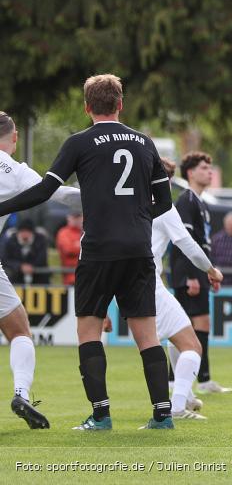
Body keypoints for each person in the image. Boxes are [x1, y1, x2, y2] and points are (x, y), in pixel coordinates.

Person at [0, 75, 174, 430]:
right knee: (148, 334)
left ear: (86, 106)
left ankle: (101, 414)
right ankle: (162, 414)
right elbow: (165, 201)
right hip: (139, 248)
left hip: (98, 248)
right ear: (120, 104)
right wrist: (137, 217)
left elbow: (47, 189)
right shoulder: (144, 142)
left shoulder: (79, 142)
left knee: (89, 331)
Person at [0, 111, 81, 428]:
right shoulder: (15, 171)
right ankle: (21, 392)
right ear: (15, 137)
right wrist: (110, 195)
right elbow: (64, 197)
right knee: (19, 330)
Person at [136, 157, 225, 420]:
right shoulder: (165, 208)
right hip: (146, 280)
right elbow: (186, 243)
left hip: (123, 284)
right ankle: (175, 406)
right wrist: (211, 270)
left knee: (159, 343)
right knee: (192, 345)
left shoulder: (123, 204)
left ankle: (181, 397)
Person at [171, 151, 231, 394]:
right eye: (204, 168)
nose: (209, 171)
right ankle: (176, 380)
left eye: (210, 167)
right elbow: (182, 241)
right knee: (182, 327)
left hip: (199, 272)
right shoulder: (186, 200)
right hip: (188, 274)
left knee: (201, 324)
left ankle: (203, 379)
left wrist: (208, 271)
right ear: (190, 172)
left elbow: (202, 244)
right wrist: (191, 276)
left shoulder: (201, 202)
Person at [1, 218, 49, 285]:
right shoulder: (11, 241)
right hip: (16, 279)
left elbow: (42, 257)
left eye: (27, 231)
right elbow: (5, 259)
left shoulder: (40, 241)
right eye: (22, 231)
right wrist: (20, 266)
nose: (25, 234)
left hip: (38, 281)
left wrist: (32, 266)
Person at [56, 211, 83, 285]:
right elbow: (68, 250)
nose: (76, 220)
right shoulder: (63, 232)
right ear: (68, 218)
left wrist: (78, 245)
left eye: (78, 217)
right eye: (74, 218)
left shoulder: (85, 232)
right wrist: (83, 246)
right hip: (71, 278)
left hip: (87, 276)